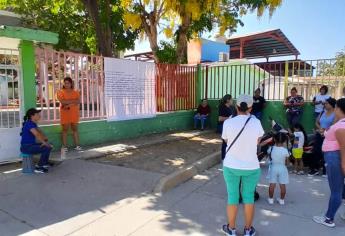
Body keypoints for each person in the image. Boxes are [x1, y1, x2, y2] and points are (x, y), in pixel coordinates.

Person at [221, 94, 264, 236]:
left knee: (232, 197)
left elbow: (226, 141)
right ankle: (248, 230)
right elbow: (258, 141)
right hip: (251, 167)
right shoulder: (256, 122)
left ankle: (231, 229)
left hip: (231, 166)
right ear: (250, 108)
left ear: (236, 106)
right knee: (249, 197)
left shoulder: (228, 122)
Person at [313, 98, 345, 228]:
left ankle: (328, 218)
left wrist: (343, 163)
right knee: (340, 190)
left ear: (338, 108)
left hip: (335, 158)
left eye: (336, 107)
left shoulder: (341, 126)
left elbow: (343, 146)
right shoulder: (341, 122)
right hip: (334, 157)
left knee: (336, 191)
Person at [309, 98, 336, 176]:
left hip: (329, 135)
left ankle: (325, 171)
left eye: (327, 103)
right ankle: (314, 169)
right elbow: (317, 122)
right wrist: (320, 128)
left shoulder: (335, 113)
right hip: (319, 134)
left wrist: (325, 130)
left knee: (326, 152)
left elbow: (334, 124)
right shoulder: (322, 112)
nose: (325, 105)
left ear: (332, 104)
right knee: (316, 150)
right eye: (325, 103)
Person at [20, 108, 53, 173]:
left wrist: (45, 140)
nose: (39, 115)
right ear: (32, 116)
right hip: (26, 147)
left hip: (31, 145)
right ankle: (39, 167)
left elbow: (40, 132)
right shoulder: (29, 124)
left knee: (49, 145)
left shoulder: (32, 123)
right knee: (46, 147)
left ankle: (45, 163)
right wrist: (44, 143)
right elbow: (37, 134)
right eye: (37, 114)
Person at [57, 77, 82, 154]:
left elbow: (78, 101)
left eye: (68, 83)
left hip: (74, 113)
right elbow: (62, 102)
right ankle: (64, 147)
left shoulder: (76, 92)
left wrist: (68, 103)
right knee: (65, 130)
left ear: (71, 83)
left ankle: (77, 145)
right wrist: (72, 101)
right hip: (65, 113)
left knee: (75, 129)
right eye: (65, 83)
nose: (66, 84)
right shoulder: (60, 92)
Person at [267, 132, 290, 205]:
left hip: (273, 167)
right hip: (282, 168)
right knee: (282, 184)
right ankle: (282, 200)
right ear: (284, 141)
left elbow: (269, 155)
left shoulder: (271, 148)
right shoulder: (285, 150)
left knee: (272, 184)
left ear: (274, 139)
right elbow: (288, 163)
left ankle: (270, 199)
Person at [218, 94, 237, 161]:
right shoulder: (222, 107)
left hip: (231, 127)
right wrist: (229, 118)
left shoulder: (232, 107)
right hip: (223, 126)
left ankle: (230, 157)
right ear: (228, 100)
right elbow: (220, 119)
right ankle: (223, 158)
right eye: (231, 99)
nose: (233, 100)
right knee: (225, 142)